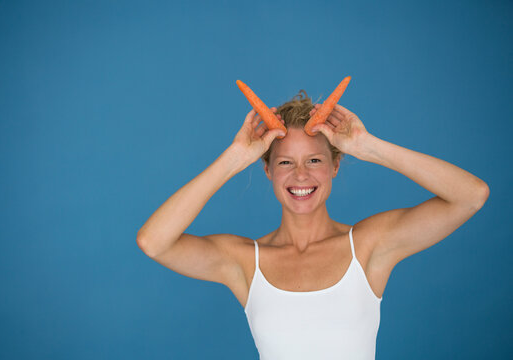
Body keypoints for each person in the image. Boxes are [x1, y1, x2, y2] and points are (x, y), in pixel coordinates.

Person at [136, 90, 489, 359]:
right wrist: (234, 158)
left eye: (315, 160)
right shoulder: (244, 261)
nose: (300, 175)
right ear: (268, 171)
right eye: (285, 161)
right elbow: (154, 241)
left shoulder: (367, 246)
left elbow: (471, 195)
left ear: (335, 165)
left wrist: (369, 147)